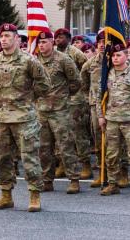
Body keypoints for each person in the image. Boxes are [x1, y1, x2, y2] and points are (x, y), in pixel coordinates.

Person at [0, 23, 50, 212]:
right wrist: (0, 101)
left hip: (24, 118)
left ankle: (34, 195)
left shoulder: (29, 60)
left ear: (17, 39)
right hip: (2, 118)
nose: (3, 39)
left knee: (29, 158)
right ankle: (6, 195)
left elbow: (44, 85)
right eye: (2, 36)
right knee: (3, 158)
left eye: (7, 35)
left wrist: (28, 99)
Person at [36, 31, 82, 194]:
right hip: (41, 112)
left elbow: (76, 82)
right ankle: (47, 180)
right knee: (43, 148)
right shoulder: (34, 61)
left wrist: (63, 96)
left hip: (60, 111)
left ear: (52, 42)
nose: (41, 45)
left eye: (45, 42)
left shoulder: (63, 60)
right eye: (39, 43)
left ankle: (74, 179)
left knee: (66, 146)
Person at [54, 28, 92, 179]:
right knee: (61, 134)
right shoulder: (53, 53)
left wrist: (82, 90)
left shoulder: (76, 53)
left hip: (76, 99)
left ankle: (85, 165)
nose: (58, 40)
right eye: (56, 37)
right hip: (59, 100)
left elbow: (86, 71)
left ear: (68, 39)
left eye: (62, 37)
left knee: (78, 133)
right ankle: (63, 163)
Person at [98, 44, 130, 195]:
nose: (115, 58)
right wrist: (100, 116)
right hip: (111, 119)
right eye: (113, 56)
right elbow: (101, 96)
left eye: (119, 55)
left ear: (126, 56)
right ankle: (112, 184)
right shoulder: (107, 73)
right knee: (111, 154)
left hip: (128, 120)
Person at [81, 31, 110, 187]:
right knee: (98, 139)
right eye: (99, 41)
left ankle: (121, 173)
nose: (101, 44)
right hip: (95, 106)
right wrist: (90, 97)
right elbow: (83, 83)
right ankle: (101, 173)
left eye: (104, 41)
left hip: (115, 106)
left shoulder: (115, 61)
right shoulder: (90, 63)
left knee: (115, 141)